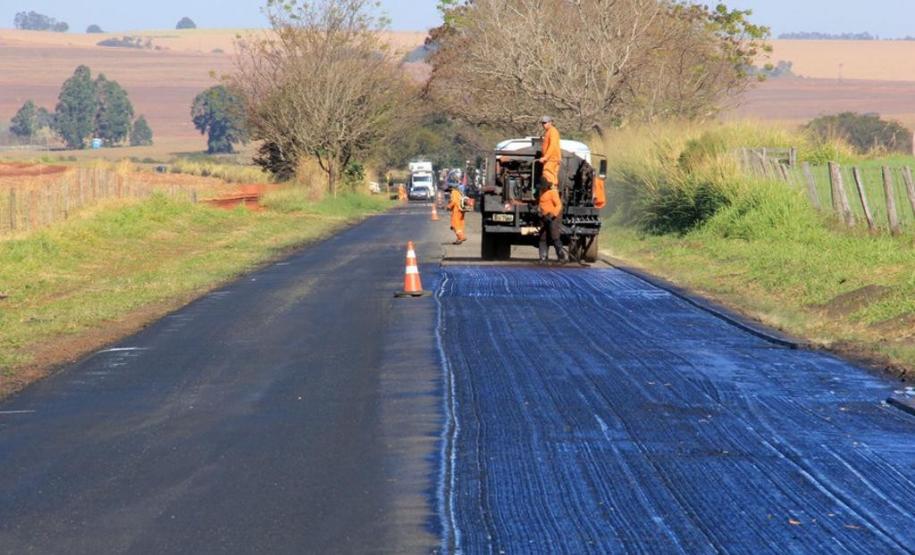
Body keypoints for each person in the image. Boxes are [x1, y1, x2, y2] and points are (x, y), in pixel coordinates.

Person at [539, 181, 566, 264]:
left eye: (543, 187)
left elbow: (559, 205)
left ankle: (561, 257)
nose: (542, 188)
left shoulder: (553, 193)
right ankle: (543, 258)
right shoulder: (541, 193)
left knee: (555, 237)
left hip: (552, 218)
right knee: (543, 237)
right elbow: (541, 204)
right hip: (543, 218)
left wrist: (552, 215)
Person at [538, 116, 561, 188]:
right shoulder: (549, 132)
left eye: (545, 123)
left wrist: (545, 157)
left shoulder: (552, 131)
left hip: (551, 159)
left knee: (548, 177)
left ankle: (549, 195)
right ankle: (553, 195)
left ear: (550, 122)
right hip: (552, 159)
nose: (543, 125)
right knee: (552, 179)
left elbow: (553, 146)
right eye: (542, 123)